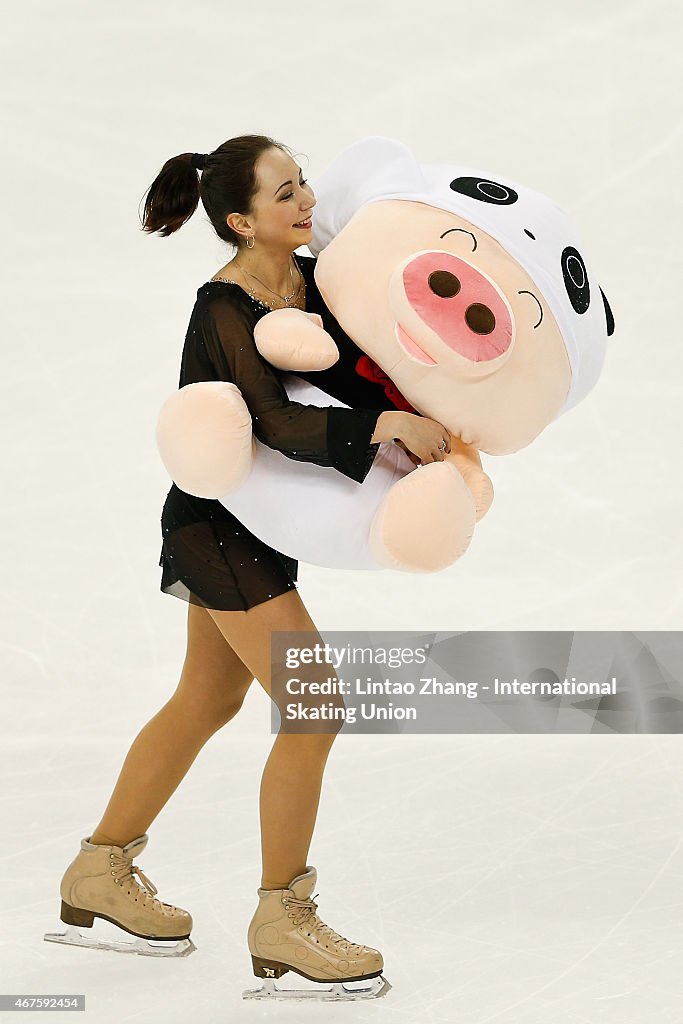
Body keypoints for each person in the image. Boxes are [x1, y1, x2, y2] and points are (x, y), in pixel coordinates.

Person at [46, 135, 451, 999]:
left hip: (261, 529)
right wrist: (379, 431)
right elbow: (270, 421)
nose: (305, 202)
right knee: (317, 705)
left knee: (207, 697)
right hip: (215, 530)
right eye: (283, 195)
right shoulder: (223, 308)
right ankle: (281, 918)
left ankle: (98, 872)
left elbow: (360, 369)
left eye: (303, 183)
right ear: (240, 219)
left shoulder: (315, 278)